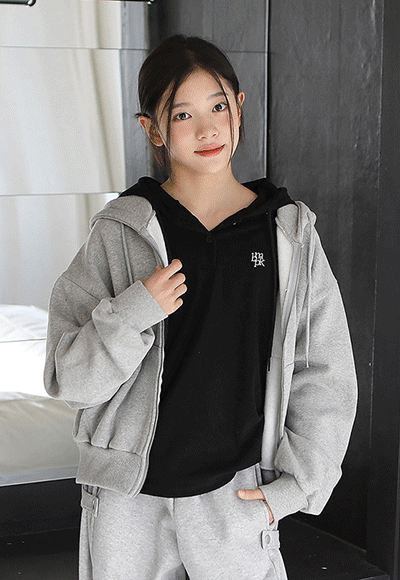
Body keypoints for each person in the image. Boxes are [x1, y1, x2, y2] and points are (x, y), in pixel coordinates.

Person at [44, 34, 357, 580]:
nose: (207, 129)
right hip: (128, 502)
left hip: (238, 496)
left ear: (239, 106)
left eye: (218, 107)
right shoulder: (121, 232)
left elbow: (325, 371)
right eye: (182, 114)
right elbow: (69, 380)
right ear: (153, 130)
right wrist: (135, 311)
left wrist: (295, 489)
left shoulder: (287, 233)